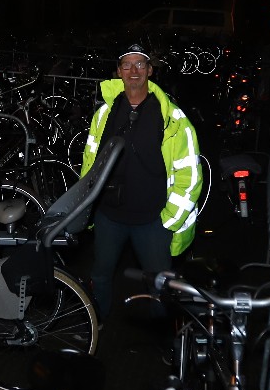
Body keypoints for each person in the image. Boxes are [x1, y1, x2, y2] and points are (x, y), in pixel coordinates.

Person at [79, 42, 203, 320]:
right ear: (118, 72)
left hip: (152, 220)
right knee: (100, 275)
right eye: (127, 64)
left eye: (140, 64)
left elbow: (190, 174)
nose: (133, 70)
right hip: (109, 215)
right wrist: (86, 205)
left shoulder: (172, 117)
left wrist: (170, 220)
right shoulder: (104, 114)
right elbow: (90, 162)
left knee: (160, 284)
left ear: (149, 70)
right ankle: (97, 326)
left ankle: (161, 334)